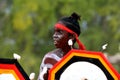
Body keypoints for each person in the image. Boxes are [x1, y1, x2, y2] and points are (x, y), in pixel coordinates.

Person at [38, 12, 86, 80]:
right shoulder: (49, 58)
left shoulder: (83, 60)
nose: (54, 35)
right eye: (55, 32)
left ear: (72, 36)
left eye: (59, 32)